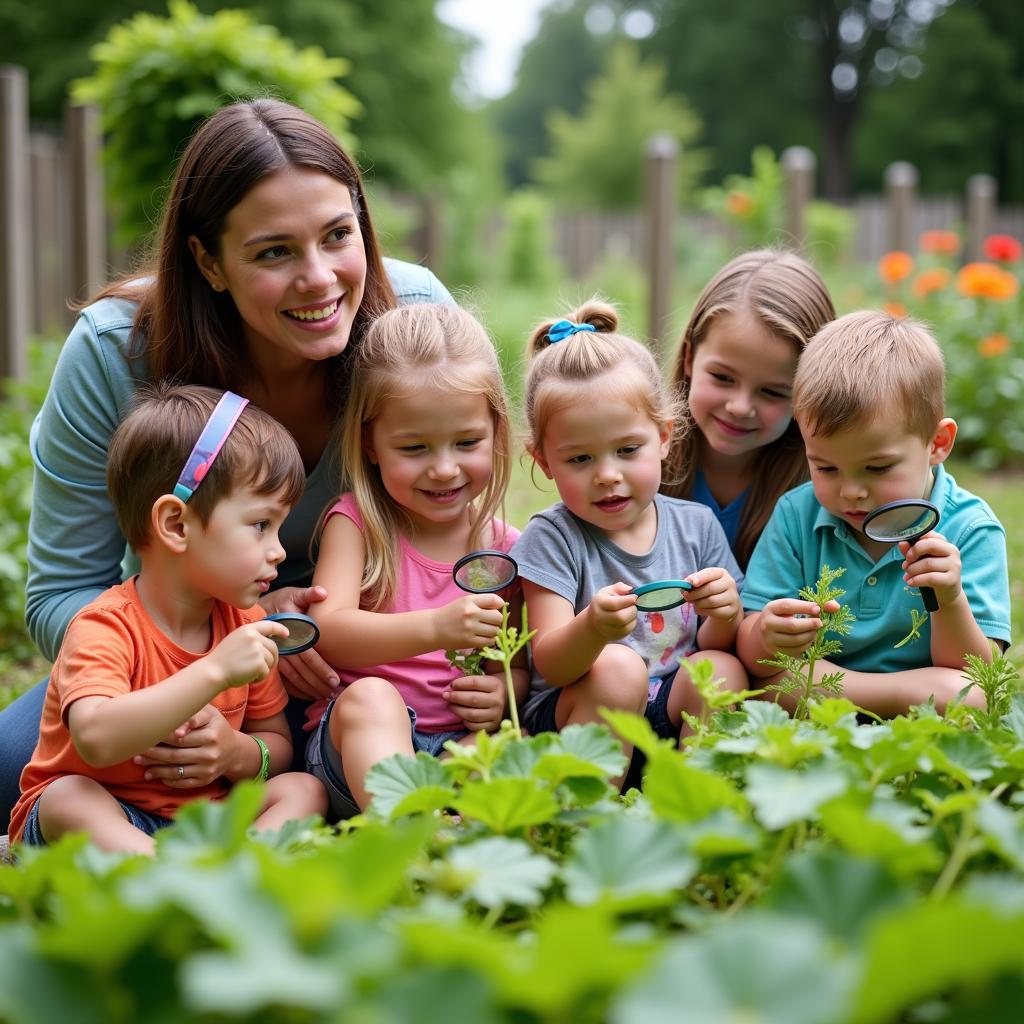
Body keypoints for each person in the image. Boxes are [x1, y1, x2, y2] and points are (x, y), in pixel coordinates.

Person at [0, 97, 453, 832]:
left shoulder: (414, 317)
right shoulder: (115, 353)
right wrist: (210, 650)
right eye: (274, 251)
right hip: (183, 656)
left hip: (377, 655)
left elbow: (470, 529)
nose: (321, 279)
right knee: (13, 769)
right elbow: (60, 593)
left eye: (339, 235)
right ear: (208, 260)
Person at [8, 385, 327, 853]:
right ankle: (177, 874)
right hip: (114, 815)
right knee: (66, 799)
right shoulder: (104, 625)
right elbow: (96, 738)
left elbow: (274, 745)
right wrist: (215, 669)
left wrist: (233, 752)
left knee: (304, 790)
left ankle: (210, 869)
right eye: (261, 525)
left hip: (203, 819)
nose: (279, 550)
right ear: (176, 525)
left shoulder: (243, 622)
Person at [304, 304, 526, 818]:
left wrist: (500, 691)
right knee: (373, 700)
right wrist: (435, 627)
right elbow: (328, 629)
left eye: (467, 442)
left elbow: (516, 665)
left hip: (456, 747)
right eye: (415, 448)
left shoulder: (506, 549)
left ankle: (443, 831)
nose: (444, 468)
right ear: (370, 443)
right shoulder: (356, 523)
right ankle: (407, 832)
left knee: (515, 741)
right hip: (358, 753)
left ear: (496, 431)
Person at [511, 300, 747, 776]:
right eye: (580, 459)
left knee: (722, 670)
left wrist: (725, 612)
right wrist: (592, 630)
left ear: (663, 438)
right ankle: (587, 814)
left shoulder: (696, 525)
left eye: (627, 450)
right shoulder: (552, 538)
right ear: (544, 461)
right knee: (619, 668)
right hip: (578, 715)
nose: (607, 475)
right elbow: (552, 665)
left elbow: (717, 640)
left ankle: (693, 799)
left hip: (666, 709)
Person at [737, 311, 1010, 716]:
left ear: (937, 443)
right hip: (874, 690)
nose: (851, 491)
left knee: (971, 696)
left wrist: (949, 599)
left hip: (846, 691)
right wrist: (764, 633)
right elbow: (755, 660)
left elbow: (978, 672)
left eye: (878, 468)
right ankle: (890, 701)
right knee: (768, 679)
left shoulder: (970, 527)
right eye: (826, 468)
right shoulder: (797, 514)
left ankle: (871, 703)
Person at [662, 249, 836, 567]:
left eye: (772, 392)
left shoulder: (825, 490)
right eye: (722, 377)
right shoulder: (636, 462)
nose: (740, 407)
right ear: (689, 358)